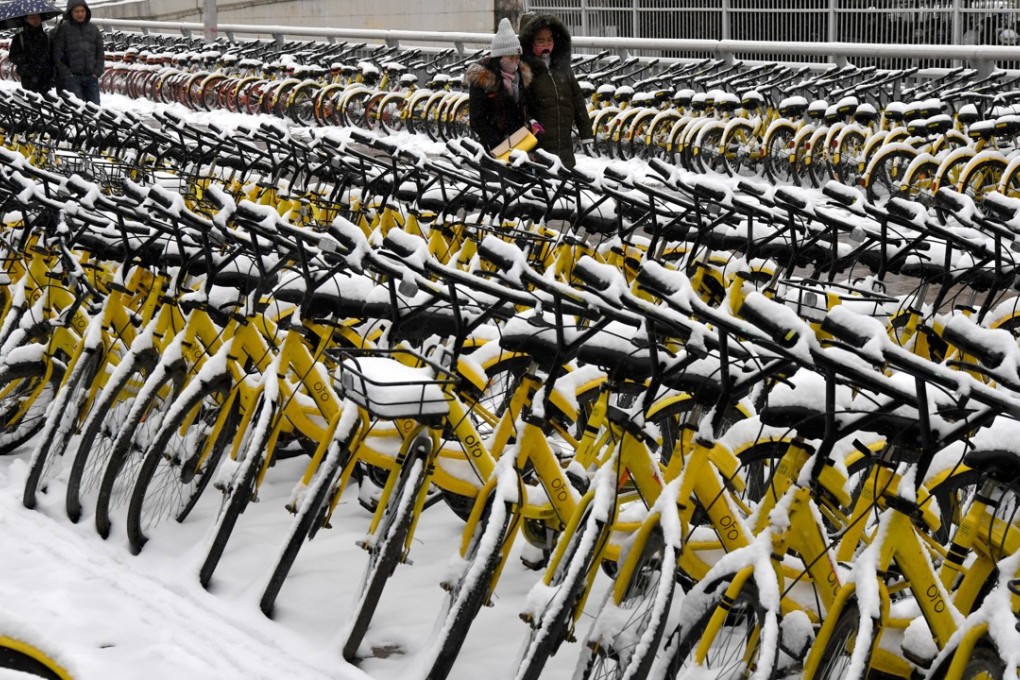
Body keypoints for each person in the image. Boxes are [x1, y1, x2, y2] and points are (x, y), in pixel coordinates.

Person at [519, 13, 594, 169]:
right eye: (540, 40)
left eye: (550, 39)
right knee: (543, 188)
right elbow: (519, 106)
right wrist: (530, 123)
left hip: (565, 145)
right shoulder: (523, 69)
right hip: (538, 147)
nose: (546, 44)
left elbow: (577, 100)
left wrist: (586, 135)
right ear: (529, 42)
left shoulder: (562, 66)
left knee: (565, 184)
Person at [465, 17, 536, 157]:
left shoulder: (520, 77)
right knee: (498, 178)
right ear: (499, 57)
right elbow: (476, 119)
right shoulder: (483, 79)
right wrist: (498, 142)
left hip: (520, 142)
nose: (515, 62)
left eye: (517, 58)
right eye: (510, 58)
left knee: (521, 178)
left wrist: (531, 123)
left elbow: (525, 107)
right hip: (494, 146)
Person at [51, 0, 104, 105]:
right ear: (70, 12)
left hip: (91, 77)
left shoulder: (93, 29)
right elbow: (57, 54)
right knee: (77, 109)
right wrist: (67, 74)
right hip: (73, 78)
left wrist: (97, 71)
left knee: (95, 109)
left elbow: (100, 52)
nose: (80, 14)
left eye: (82, 11)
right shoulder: (63, 29)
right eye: (77, 11)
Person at [8, 14, 55, 94]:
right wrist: (26, 57)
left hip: (45, 77)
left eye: (37, 17)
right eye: (32, 17)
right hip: (28, 77)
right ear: (26, 19)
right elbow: (12, 57)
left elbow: (53, 56)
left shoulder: (46, 37)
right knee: (32, 103)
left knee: (47, 104)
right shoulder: (19, 38)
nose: (35, 20)